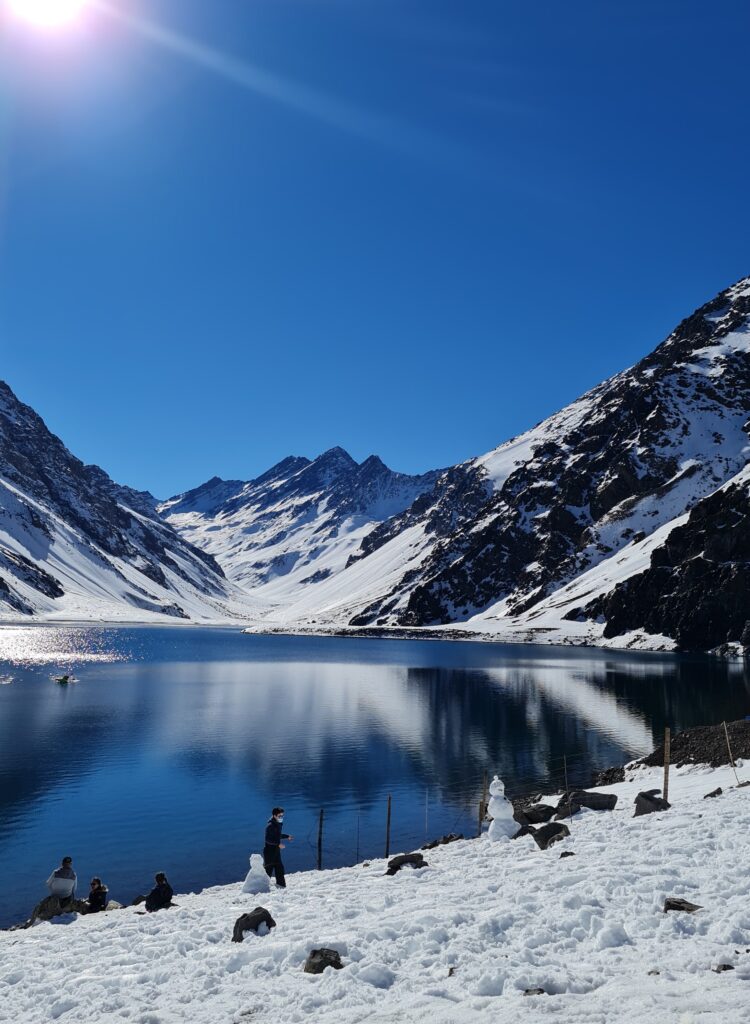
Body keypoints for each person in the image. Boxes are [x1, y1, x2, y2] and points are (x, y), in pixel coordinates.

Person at [263, 807, 293, 888]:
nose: (281, 817)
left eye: (282, 816)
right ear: (274, 816)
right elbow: (268, 839)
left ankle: (282, 886)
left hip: (276, 851)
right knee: (268, 870)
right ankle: (262, 887)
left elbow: (277, 836)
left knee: (279, 869)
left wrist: (287, 836)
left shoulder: (277, 824)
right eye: (280, 816)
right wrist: (278, 844)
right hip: (269, 852)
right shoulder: (270, 826)